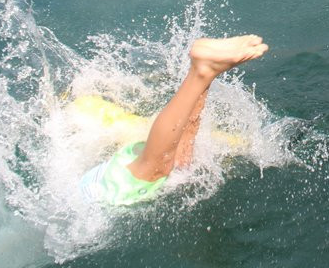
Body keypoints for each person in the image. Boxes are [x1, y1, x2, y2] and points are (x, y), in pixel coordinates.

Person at [79, 34, 269, 207]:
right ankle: (206, 71)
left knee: (156, 168)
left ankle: (202, 72)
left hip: (106, 192)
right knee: (181, 159)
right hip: (101, 181)